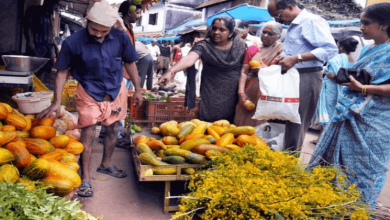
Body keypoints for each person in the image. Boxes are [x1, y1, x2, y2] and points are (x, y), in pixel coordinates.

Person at [37, 0, 143, 197]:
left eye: (104, 31)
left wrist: (137, 89)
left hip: (115, 90)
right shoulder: (73, 42)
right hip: (88, 91)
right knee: (87, 135)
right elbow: (61, 72)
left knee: (112, 129)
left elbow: (130, 63)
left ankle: (106, 164)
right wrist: (57, 101)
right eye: (95, 29)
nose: (98, 34)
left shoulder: (120, 37)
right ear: (87, 21)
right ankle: (85, 178)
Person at [308, 2, 390, 208]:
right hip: (349, 112)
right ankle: (326, 204)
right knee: (332, 166)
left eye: (366, 23)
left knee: (364, 168)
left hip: (374, 122)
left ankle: (356, 208)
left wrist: (363, 88)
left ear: (384, 25)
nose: (361, 27)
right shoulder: (371, 48)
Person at [267, 0, 338, 153]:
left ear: (290, 7)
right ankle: (272, 158)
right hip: (290, 76)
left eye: (278, 16)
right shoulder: (293, 25)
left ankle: (288, 164)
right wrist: (285, 56)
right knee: (278, 117)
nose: (277, 21)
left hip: (306, 77)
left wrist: (296, 58)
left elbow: (330, 50)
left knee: (296, 123)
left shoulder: (311, 21)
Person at [158, 16, 247, 123]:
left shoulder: (240, 46)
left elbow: (246, 68)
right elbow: (190, 58)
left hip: (233, 93)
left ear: (231, 33)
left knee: (230, 126)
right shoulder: (204, 45)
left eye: (222, 30)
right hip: (210, 91)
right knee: (208, 123)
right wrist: (171, 71)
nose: (216, 32)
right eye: (214, 28)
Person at [234, 21, 284, 126]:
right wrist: (241, 94)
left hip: (268, 91)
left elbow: (283, 73)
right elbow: (244, 71)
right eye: (264, 32)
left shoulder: (282, 51)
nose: (265, 35)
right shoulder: (253, 49)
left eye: (270, 34)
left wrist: (265, 70)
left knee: (260, 123)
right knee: (242, 118)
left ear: (278, 36)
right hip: (250, 88)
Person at [312, 37, 359, 135]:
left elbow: (332, 75)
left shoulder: (335, 59)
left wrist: (327, 73)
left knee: (328, 112)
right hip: (346, 90)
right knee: (337, 112)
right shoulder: (354, 60)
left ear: (341, 47)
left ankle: (323, 138)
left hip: (332, 89)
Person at [23, 0, 59, 82]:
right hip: (37, 47)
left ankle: (38, 88)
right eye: (54, 4)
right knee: (34, 70)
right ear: (47, 2)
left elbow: (51, 34)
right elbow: (27, 27)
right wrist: (30, 42)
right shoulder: (34, 11)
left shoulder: (50, 16)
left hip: (48, 49)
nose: (55, 7)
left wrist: (55, 47)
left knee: (45, 69)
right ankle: (31, 88)